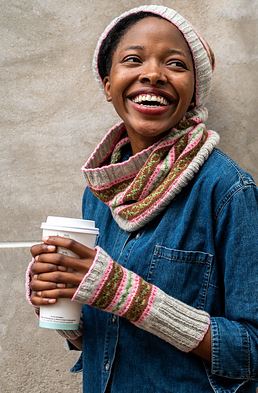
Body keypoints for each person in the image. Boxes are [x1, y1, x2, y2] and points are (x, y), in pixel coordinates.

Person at [26, 5, 258, 393]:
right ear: (107, 83)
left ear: (195, 89)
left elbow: (252, 351)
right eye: (133, 59)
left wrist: (126, 293)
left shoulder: (229, 190)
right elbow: (112, 336)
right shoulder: (102, 192)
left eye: (175, 64)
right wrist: (66, 307)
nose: (152, 74)